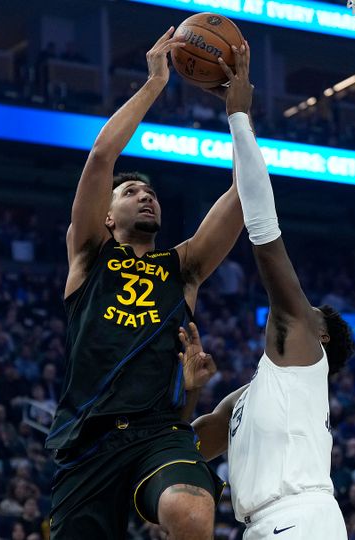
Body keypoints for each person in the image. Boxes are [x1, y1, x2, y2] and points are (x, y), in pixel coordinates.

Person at [45, 25, 243, 540]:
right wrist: (157, 82)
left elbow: (245, 195)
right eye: (131, 192)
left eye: (150, 192)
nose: (145, 196)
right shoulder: (89, 256)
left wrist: (239, 114)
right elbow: (100, 158)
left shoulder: (183, 267)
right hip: (87, 438)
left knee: (192, 509)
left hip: (160, 432)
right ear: (107, 217)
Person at [190, 41, 355, 539]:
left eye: (313, 312)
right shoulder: (251, 395)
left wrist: (239, 118)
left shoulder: (302, 348)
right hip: (263, 525)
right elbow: (187, 447)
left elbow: (264, 234)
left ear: (319, 336)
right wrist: (187, 392)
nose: (300, 309)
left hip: (300, 519)